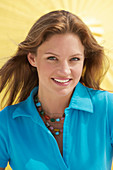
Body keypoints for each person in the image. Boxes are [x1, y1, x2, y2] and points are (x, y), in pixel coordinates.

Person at [0, 10, 113, 170]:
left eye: (74, 59)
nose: (65, 71)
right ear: (33, 58)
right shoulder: (6, 122)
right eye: (52, 58)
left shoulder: (107, 108)